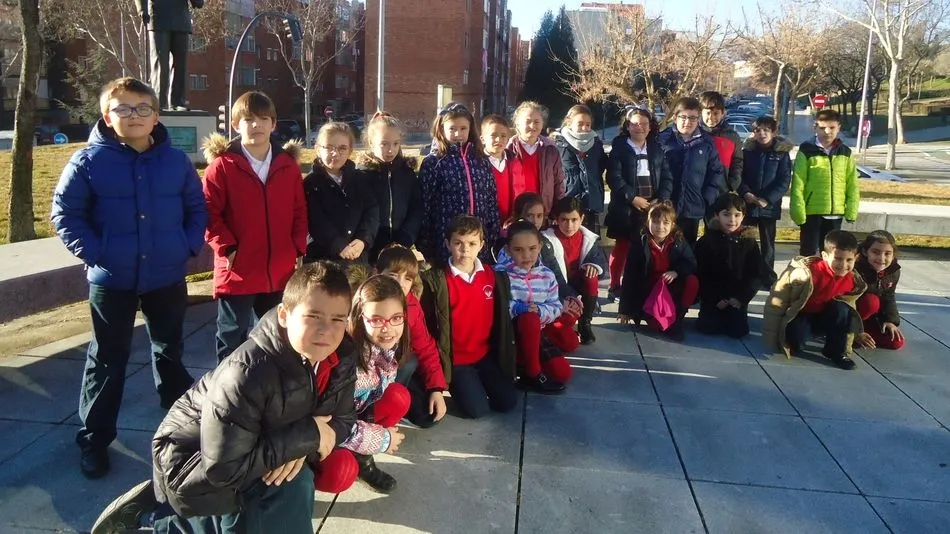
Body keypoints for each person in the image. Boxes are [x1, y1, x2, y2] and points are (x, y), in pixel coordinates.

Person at [90, 262, 359, 534]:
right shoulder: (247, 373)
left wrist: (306, 442)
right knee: (286, 489)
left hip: (251, 447)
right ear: (284, 315)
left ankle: (164, 522)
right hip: (193, 460)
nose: (327, 330)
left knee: (306, 478)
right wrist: (308, 437)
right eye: (313, 316)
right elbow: (223, 470)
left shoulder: (341, 357)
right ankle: (163, 520)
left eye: (338, 319)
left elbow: (344, 418)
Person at [50, 77, 206, 479]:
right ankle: (94, 439)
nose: (133, 116)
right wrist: (99, 253)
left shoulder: (175, 162)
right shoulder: (87, 161)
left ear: (155, 116)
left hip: (166, 275)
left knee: (169, 351)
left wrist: (185, 247)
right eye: (122, 108)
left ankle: (183, 429)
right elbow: (65, 215)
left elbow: (196, 208)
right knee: (107, 360)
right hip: (112, 280)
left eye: (142, 108)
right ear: (107, 115)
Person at [202, 91, 308, 363]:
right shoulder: (222, 166)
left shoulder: (287, 166)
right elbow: (208, 214)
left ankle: (271, 392)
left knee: (277, 335)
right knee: (232, 337)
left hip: (279, 269)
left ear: (274, 125)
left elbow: (299, 211)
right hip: (238, 270)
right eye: (248, 119)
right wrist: (228, 249)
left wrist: (296, 247)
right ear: (235, 124)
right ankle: (227, 397)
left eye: (264, 119)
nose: (256, 125)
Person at [419, 215, 519, 419]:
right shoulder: (437, 280)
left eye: (472, 243)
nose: (465, 250)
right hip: (457, 360)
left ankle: (481, 383)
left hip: (483, 355)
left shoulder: (493, 276)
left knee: (508, 402)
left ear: (481, 245)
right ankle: (464, 386)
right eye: (458, 243)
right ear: (448, 244)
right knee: (477, 410)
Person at [339, 275, 414, 493]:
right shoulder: (348, 361)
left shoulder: (389, 345)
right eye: (376, 320)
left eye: (396, 318)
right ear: (359, 317)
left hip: (356, 413)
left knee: (398, 397)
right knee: (340, 472)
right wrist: (382, 439)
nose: (387, 328)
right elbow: (334, 422)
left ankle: (363, 461)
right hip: (330, 427)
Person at [762, 230, 867, 370]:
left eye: (849, 260)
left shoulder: (851, 280)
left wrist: (846, 349)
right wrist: (772, 337)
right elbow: (776, 303)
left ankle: (836, 352)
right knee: (796, 343)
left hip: (827, 316)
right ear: (824, 256)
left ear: (856, 258)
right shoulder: (804, 273)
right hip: (801, 314)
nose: (843, 265)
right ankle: (798, 336)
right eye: (838, 259)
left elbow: (849, 312)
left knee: (843, 308)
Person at [376, 244, 449, 428]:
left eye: (407, 278)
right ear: (377, 273)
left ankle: (399, 401)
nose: (400, 283)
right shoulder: (365, 303)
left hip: (396, 371)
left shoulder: (412, 306)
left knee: (428, 415)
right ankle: (379, 412)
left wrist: (436, 388)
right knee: (409, 362)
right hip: (368, 375)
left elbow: (425, 347)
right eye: (393, 275)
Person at [605, 106, 673, 302]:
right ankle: (614, 286)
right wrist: (632, 198)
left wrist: (660, 199)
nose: (640, 127)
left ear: (650, 127)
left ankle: (640, 285)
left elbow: (667, 177)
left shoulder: (656, 148)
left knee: (646, 250)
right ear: (627, 126)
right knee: (622, 248)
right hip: (626, 207)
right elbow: (614, 177)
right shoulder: (619, 148)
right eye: (635, 124)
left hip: (652, 208)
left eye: (644, 124)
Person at [418, 103, 500, 263]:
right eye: (452, 129)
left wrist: (492, 232)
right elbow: (425, 205)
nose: (458, 134)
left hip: (478, 242)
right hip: (446, 243)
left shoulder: (481, 161)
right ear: (441, 129)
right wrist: (426, 243)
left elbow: (491, 199)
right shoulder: (434, 163)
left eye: (463, 128)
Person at [495, 220, 568, 394]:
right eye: (518, 250)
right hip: (510, 334)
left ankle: (527, 362)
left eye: (532, 248)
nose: (526, 255)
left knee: (562, 373)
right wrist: (517, 308)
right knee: (528, 318)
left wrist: (541, 311)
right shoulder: (501, 275)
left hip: (537, 331)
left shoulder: (547, 275)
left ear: (540, 246)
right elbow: (496, 304)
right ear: (508, 250)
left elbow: (556, 306)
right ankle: (532, 373)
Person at [618, 201, 699, 341]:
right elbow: (629, 276)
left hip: (670, 287)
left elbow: (690, 263)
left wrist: (676, 272)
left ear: (672, 225)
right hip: (648, 290)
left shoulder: (678, 240)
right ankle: (659, 318)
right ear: (647, 222)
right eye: (655, 222)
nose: (660, 227)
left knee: (692, 281)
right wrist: (625, 310)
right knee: (656, 326)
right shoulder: (640, 243)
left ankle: (678, 317)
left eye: (665, 223)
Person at [304, 121, 379, 263]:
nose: (335, 153)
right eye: (329, 147)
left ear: (350, 150)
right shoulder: (311, 183)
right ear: (318, 149)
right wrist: (337, 244)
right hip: (322, 259)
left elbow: (371, 211)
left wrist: (363, 239)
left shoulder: (360, 180)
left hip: (357, 258)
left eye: (342, 148)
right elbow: (315, 219)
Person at [790, 108, 860, 256]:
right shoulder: (806, 150)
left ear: (839, 127)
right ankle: (807, 279)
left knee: (831, 254)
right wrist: (798, 211)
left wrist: (851, 210)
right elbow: (798, 182)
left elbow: (852, 183)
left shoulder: (845, 152)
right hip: (811, 213)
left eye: (832, 127)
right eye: (822, 128)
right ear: (815, 127)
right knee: (808, 254)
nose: (827, 131)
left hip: (835, 213)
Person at [355, 111, 423, 262]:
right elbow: (359, 213)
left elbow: (417, 207)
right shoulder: (362, 175)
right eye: (384, 144)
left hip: (401, 244)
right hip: (370, 247)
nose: (391, 150)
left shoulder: (407, 173)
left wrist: (407, 235)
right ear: (372, 143)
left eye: (396, 143)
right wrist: (367, 238)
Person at [657, 96, 726, 247]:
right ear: (675, 117)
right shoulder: (662, 141)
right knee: (663, 248)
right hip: (667, 205)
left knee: (687, 250)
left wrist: (707, 198)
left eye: (693, 118)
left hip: (692, 206)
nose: (688, 122)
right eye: (683, 117)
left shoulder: (706, 142)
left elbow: (716, 172)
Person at [542, 197, 608, 345]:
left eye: (574, 219)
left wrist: (594, 265)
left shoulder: (588, 238)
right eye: (564, 220)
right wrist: (572, 298)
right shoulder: (547, 240)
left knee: (592, 275)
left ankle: (585, 322)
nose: (569, 225)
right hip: (557, 288)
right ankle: (563, 323)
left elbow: (601, 263)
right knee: (567, 325)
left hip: (579, 283)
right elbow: (551, 274)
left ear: (582, 218)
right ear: (556, 220)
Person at [695, 193, 762, 338]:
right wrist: (715, 298)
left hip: (736, 298)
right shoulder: (707, 241)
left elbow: (754, 274)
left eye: (737, 215)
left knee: (738, 331)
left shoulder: (749, 243)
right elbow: (701, 273)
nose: (732, 220)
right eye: (726, 214)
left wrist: (740, 298)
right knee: (709, 328)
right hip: (714, 298)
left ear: (743, 216)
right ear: (717, 215)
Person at [739, 115, 793, 288]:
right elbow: (739, 175)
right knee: (747, 241)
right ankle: (748, 273)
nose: (762, 134)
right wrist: (745, 192)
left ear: (774, 132)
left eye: (766, 130)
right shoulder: (747, 152)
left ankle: (768, 277)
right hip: (748, 204)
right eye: (757, 130)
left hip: (769, 206)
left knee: (768, 245)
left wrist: (768, 199)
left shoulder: (781, 154)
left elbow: (784, 180)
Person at [139, 0, 204, 110]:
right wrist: (142, 9)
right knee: (160, 64)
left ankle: (178, 102)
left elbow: (198, 3)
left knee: (180, 65)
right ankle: (158, 102)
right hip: (158, 17)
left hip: (181, 21)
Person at [555, 104, 609, 234]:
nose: (584, 128)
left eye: (588, 124)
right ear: (569, 123)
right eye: (580, 124)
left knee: (590, 248)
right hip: (569, 206)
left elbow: (601, 167)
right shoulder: (559, 145)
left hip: (591, 204)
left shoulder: (596, 145)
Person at [507, 101, 567, 215]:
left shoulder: (551, 150)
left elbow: (559, 183)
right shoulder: (508, 150)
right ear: (517, 124)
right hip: (516, 213)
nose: (532, 126)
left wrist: (557, 212)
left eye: (536, 122)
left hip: (543, 213)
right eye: (528, 121)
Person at [854, 231, 905, 351]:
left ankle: (864, 334)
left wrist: (890, 320)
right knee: (871, 301)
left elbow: (889, 296)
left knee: (896, 342)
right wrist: (854, 330)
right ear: (865, 252)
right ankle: (849, 334)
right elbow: (844, 302)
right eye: (875, 252)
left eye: (887, 253)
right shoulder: (855, 270)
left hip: (871, 318)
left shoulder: (893, 271)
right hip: (850, 315)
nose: (882, 258)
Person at [699, 90, 744, 193]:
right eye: (708, 113)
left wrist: (732, 183)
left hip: (721, 191)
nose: (711, 117)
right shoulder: (694, 135)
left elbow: (737, 161)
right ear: (701, 113)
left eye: (716, 113)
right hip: (696, 192)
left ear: (723, 113)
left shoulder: (732, 136)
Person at [481, 114, 517, 223]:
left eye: (503, 136)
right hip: (486, 221)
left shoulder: (512, 161)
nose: (498, 139)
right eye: (493, 135)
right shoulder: (478, 164)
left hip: (508, 221)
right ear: (482, 139)